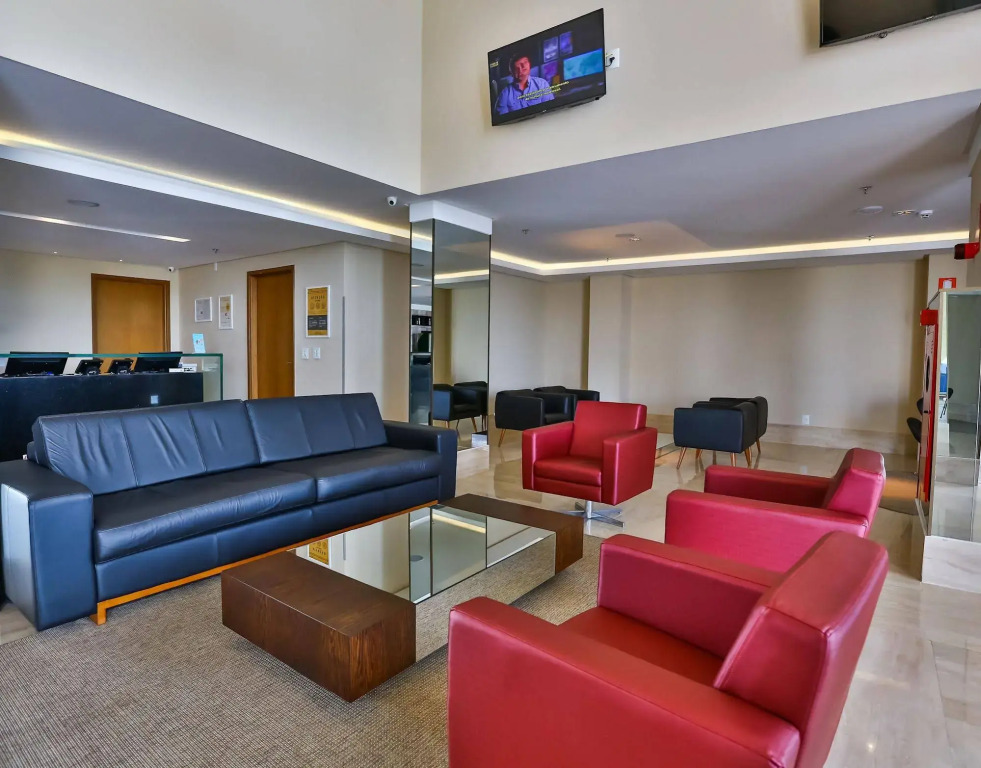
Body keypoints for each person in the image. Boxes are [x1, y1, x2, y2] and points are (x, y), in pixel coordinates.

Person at [495, 52, 554, 116]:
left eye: (525, 62)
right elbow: (503, 117)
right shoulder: (504, 94)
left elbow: (550, 109)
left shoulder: (542, 84)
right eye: (517, 67)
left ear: (529, 64)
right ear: (512, 72)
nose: (523, 67)